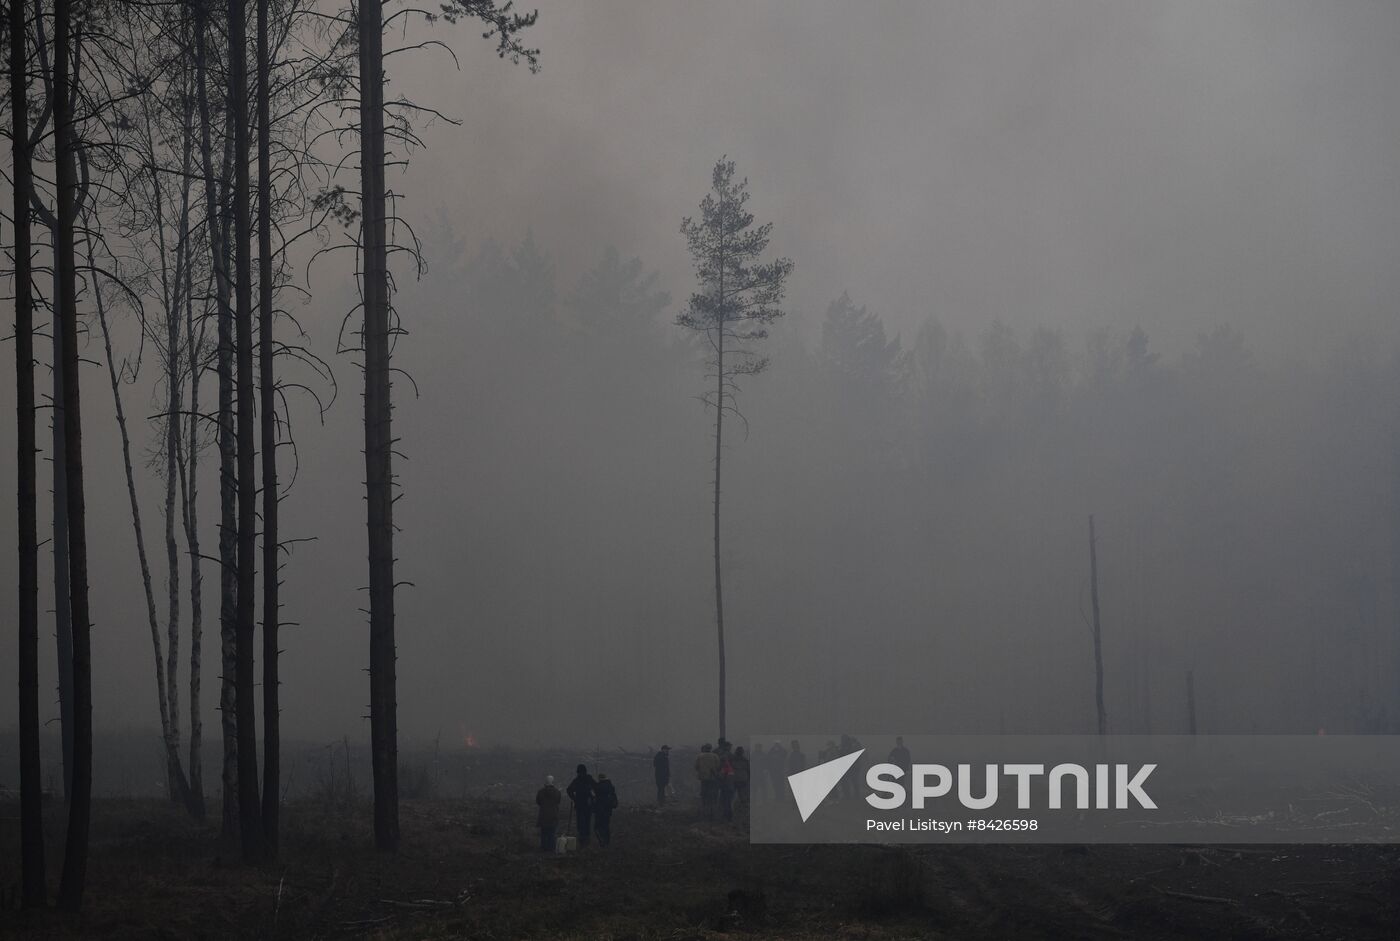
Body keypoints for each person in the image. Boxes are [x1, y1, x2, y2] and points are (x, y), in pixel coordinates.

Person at [566, 763, 597, 846]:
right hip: (588, 804)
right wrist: (594, 798)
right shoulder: (589, 779)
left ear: (578, 772)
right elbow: (596, 787)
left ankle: (582, 839)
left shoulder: (577, 780)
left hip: (579, 805)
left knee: (580, 823)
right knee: (587, 822)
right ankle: (587, 839)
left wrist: (574, 799)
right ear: (585, 771)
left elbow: (569, 790)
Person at [694, 743, 721, 820]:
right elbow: (718, 766)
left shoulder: (699, 756)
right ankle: (712, 811)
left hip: (703, 778)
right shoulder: (715, 756)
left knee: (704, 794)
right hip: (712, 778)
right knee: (712, 795)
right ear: (711, 748)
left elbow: (696, 767)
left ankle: (704, 811)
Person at [536, 775, 562, 851]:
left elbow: (538, 802)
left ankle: (543, 848)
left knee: (544, 833)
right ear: (553, 782)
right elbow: (558, 802)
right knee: (552, 833)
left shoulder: (540, 792)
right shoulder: (557, 792)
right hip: (553, 815)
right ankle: (551, 849)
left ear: (545, 782)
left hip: (543, 815)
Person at [593, 773, 618, 846]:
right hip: (608, 810)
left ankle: (602, 841)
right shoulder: (610, 786)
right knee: (606, 825)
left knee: (597, 827)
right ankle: (607, 841)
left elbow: (595, 794)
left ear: (599, 778)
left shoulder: (598, 787)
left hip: (599, 810)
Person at [718, 749, 736, 822]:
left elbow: (721, 778)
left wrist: (714, 774)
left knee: (725, 803)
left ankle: (727, 817)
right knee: (729, 803)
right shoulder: (730, 767)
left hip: (726, 788)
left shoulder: (725, 768)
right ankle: (729, 817)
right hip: (731, 788)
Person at [732, 746, 751, 811]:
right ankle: (744, 809)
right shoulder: (745, 760)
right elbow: (749, 770)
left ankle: (732, 809)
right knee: (743, 795)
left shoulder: (732, 760)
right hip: (743, 779)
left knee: (733, 795)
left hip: (734, 779)